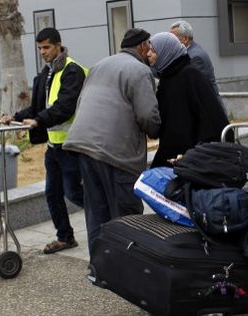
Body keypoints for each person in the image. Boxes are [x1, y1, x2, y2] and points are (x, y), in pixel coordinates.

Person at [62, 28, 161, 277]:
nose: (151, 52)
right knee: (126, 211)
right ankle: (128, 270)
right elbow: (148, 115)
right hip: (115, 151)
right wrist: (156, 130)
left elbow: (83, 102)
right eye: (148, 46)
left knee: (97, 209)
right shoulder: (139, 70)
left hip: (83, 145)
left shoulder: (99, 65)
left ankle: (99, 266)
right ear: (140, 47)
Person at [1, 27, 87, 254]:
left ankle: (109, 221)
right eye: (39, 48)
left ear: (59, 45)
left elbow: (65, 107)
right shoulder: (44, 76)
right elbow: (38, 107)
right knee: (52, 193)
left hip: (72, 145)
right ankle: (65, 237)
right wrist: (16, 117)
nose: (42, 52)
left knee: (75, 193)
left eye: (46, 47)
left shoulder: (72, 71)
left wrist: (38, 121)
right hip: (54, 146)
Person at [147, 32, 230, 168]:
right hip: (175, 155)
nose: (148, 54)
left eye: (153, 50)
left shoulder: (191, 76)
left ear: (166, 52)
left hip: (191, 158)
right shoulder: (168, 78)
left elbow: (212, 119)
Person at [169, 20, 225, 111]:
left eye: (173, 38)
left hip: (210, 111)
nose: (169, 41)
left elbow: (190, 87)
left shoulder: (195, 57)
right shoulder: (186, 52)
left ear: (185, 39)